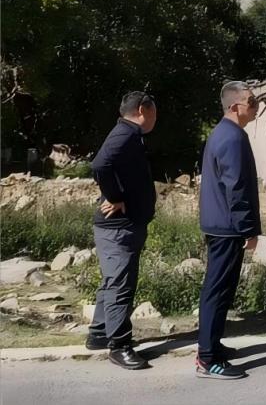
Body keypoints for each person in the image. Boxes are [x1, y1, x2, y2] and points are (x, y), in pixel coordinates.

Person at [86, 92, 158, 370]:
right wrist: (115, 196)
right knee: (120, 284)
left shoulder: (130, 134)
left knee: (112, 280)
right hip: (118, 227)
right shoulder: (125, 133)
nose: (155, 118)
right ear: (142, 110)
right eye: (154, 112)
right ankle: (119, 345)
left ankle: (99, 333)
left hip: (121, 226)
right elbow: (100, 164)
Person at [196, 81, 261, 379]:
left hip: (222, 224)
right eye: (252, 101)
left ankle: (213, 346)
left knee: (220, 290)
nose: (256, 106)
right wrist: (248, 229)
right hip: (227, 227)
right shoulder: (232, 137)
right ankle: (208, 359)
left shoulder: (225, 133)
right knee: (217, 290)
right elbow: (236, 187)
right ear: (235, 106)